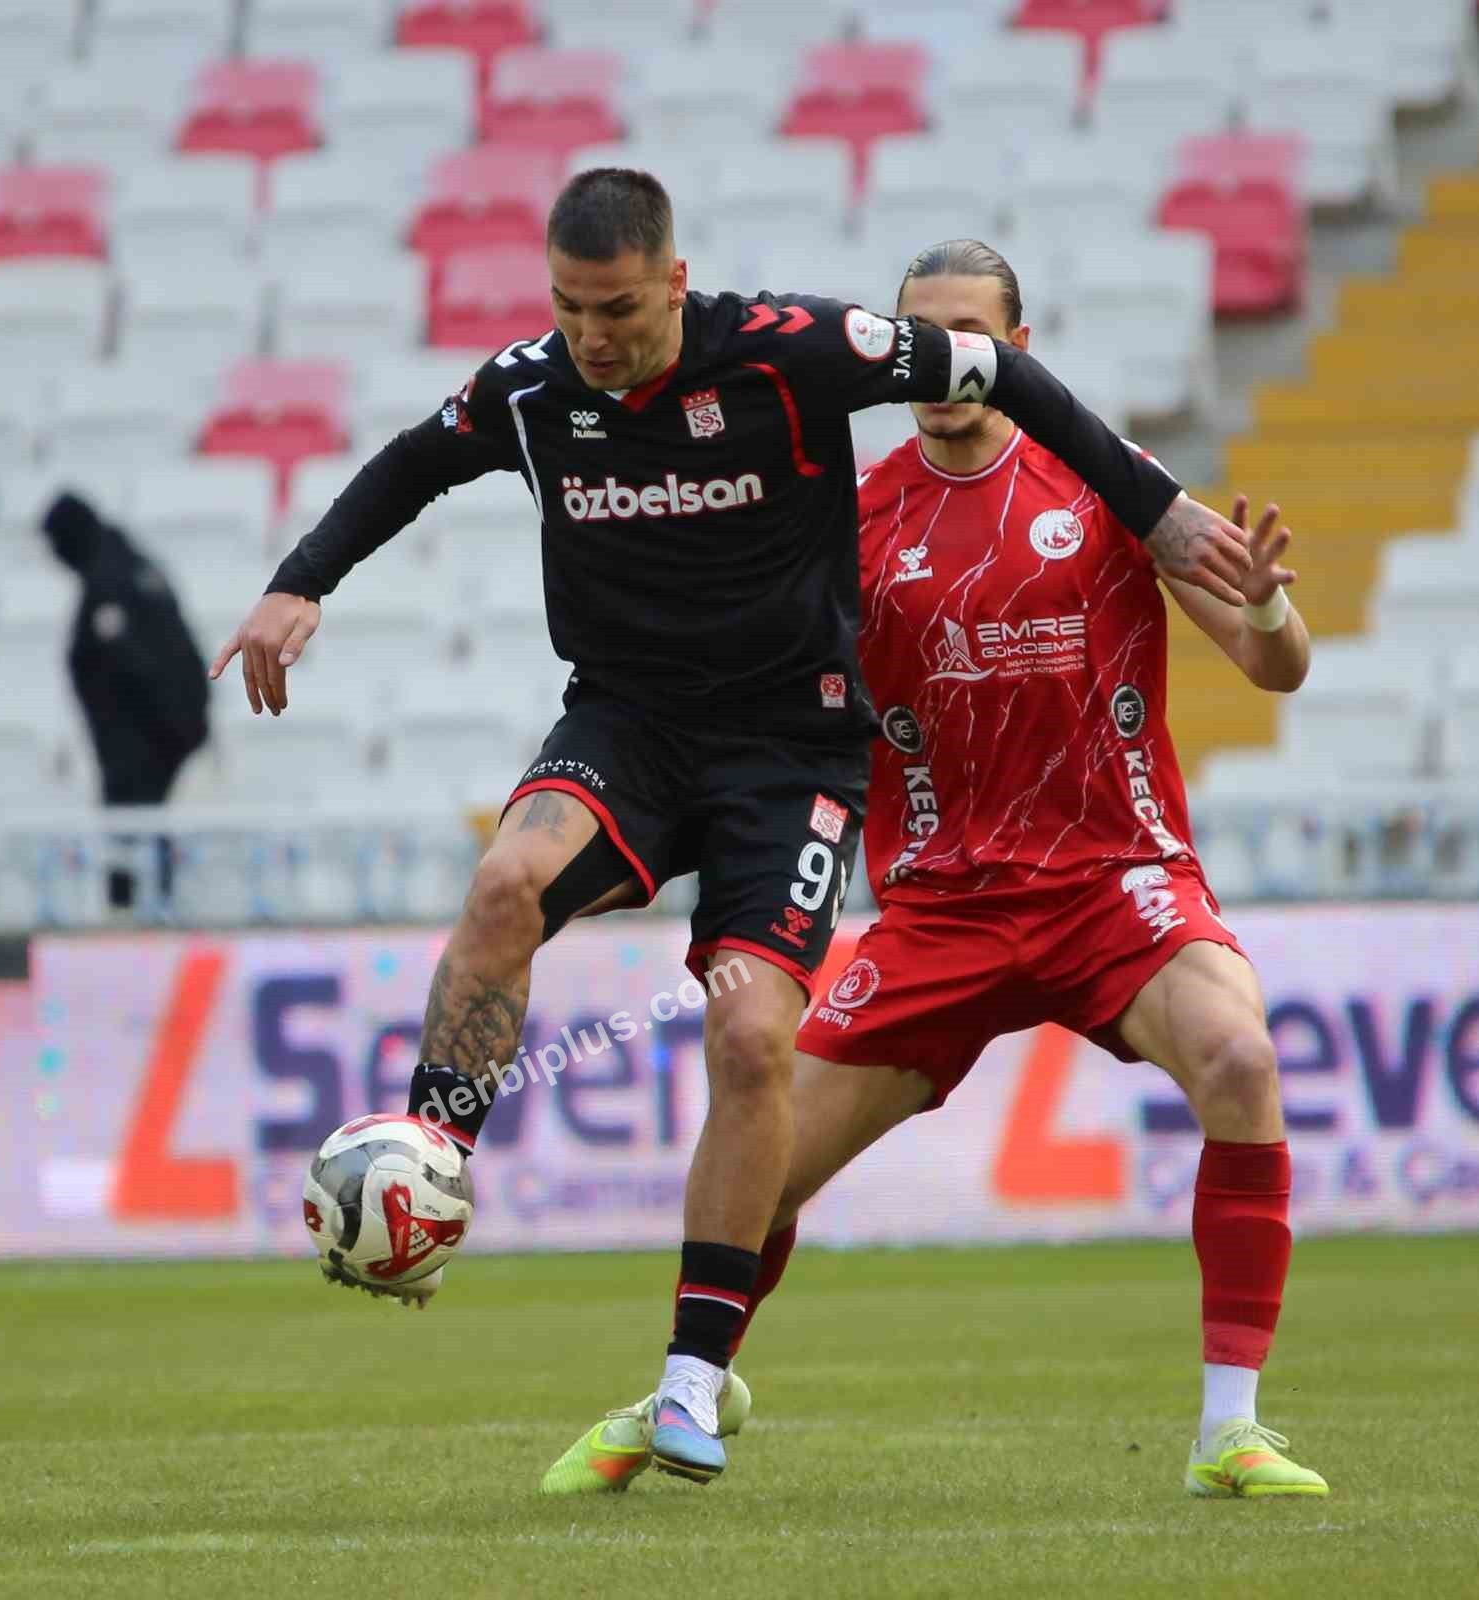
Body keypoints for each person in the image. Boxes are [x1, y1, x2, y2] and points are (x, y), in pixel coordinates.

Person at [210, 171, 1254, 1485]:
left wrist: (1153, 510)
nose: (593, 334)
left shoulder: (790, 353)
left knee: (752, 1030)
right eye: (570, 306)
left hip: (790, 747)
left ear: (675, 280)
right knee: (500, 889)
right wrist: (298, 583)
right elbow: (412, 463)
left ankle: (693, 1378)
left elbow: (997, 372)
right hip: (627, 729)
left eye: (620, 309)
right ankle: (431, 1161)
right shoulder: (534, 386)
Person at [547, 239, 1327, 1501]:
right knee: (765, 1163)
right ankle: (690, 1382)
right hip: (944, 907)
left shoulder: (1107, 483)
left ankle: (1229, 1429)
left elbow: (1270, 665)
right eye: (927, 335)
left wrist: (1278, 608)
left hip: (1113, 882)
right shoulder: (856, 524)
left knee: (1241, 1059)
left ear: (1019, 342)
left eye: (976, 332)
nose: (950, 364)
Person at [42, 492, 210, 909]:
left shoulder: (111, 580)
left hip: (147, 744)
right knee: (143, 836)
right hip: (165, 732)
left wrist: (166, 733)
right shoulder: (128, 561)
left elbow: (137, 666)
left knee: (136, 839)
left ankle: (136, 925)